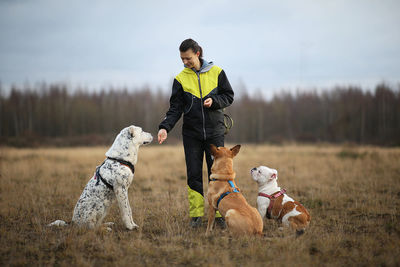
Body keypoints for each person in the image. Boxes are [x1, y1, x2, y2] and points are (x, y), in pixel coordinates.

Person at [158, 38, 234, 228]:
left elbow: (229, 96)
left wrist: (214, 101)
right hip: (191, 135)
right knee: (193, 174)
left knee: (216, 174)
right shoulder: (180, 79)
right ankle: (196, 216)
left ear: (197, 53)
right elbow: (175, 109)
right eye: (182, 59)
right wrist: (164, 127)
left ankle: (219, 215)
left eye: (188, 58)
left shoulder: (217, 72)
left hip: (215, 132)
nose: (185, 62)